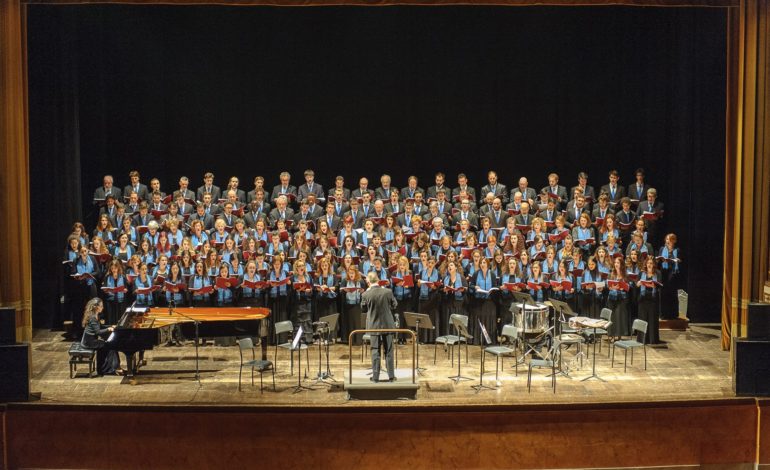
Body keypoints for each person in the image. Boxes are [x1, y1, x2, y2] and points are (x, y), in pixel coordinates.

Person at [360, 271, 399, 383]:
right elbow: (395, 305)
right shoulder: (388, 292)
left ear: (368, 282)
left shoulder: (366, 294)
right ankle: (391, 376)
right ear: (378, 279)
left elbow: (363, 309)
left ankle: (375, 377)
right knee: (389, 350)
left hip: (374, 326)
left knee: (375, 350)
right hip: (387, 325)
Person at [81, 298, 121, 376]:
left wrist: (110, 326)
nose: (102, 307)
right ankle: (109, 369)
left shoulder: (95, 315)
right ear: (96, 307)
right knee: (110, 346)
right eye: (101, 306)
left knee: (109, 345)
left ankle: (108, 368)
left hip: (91, 340)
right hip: (89, 342)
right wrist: (108, 329)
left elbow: (99, 327)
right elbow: (98, 332)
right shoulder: (93, 317)